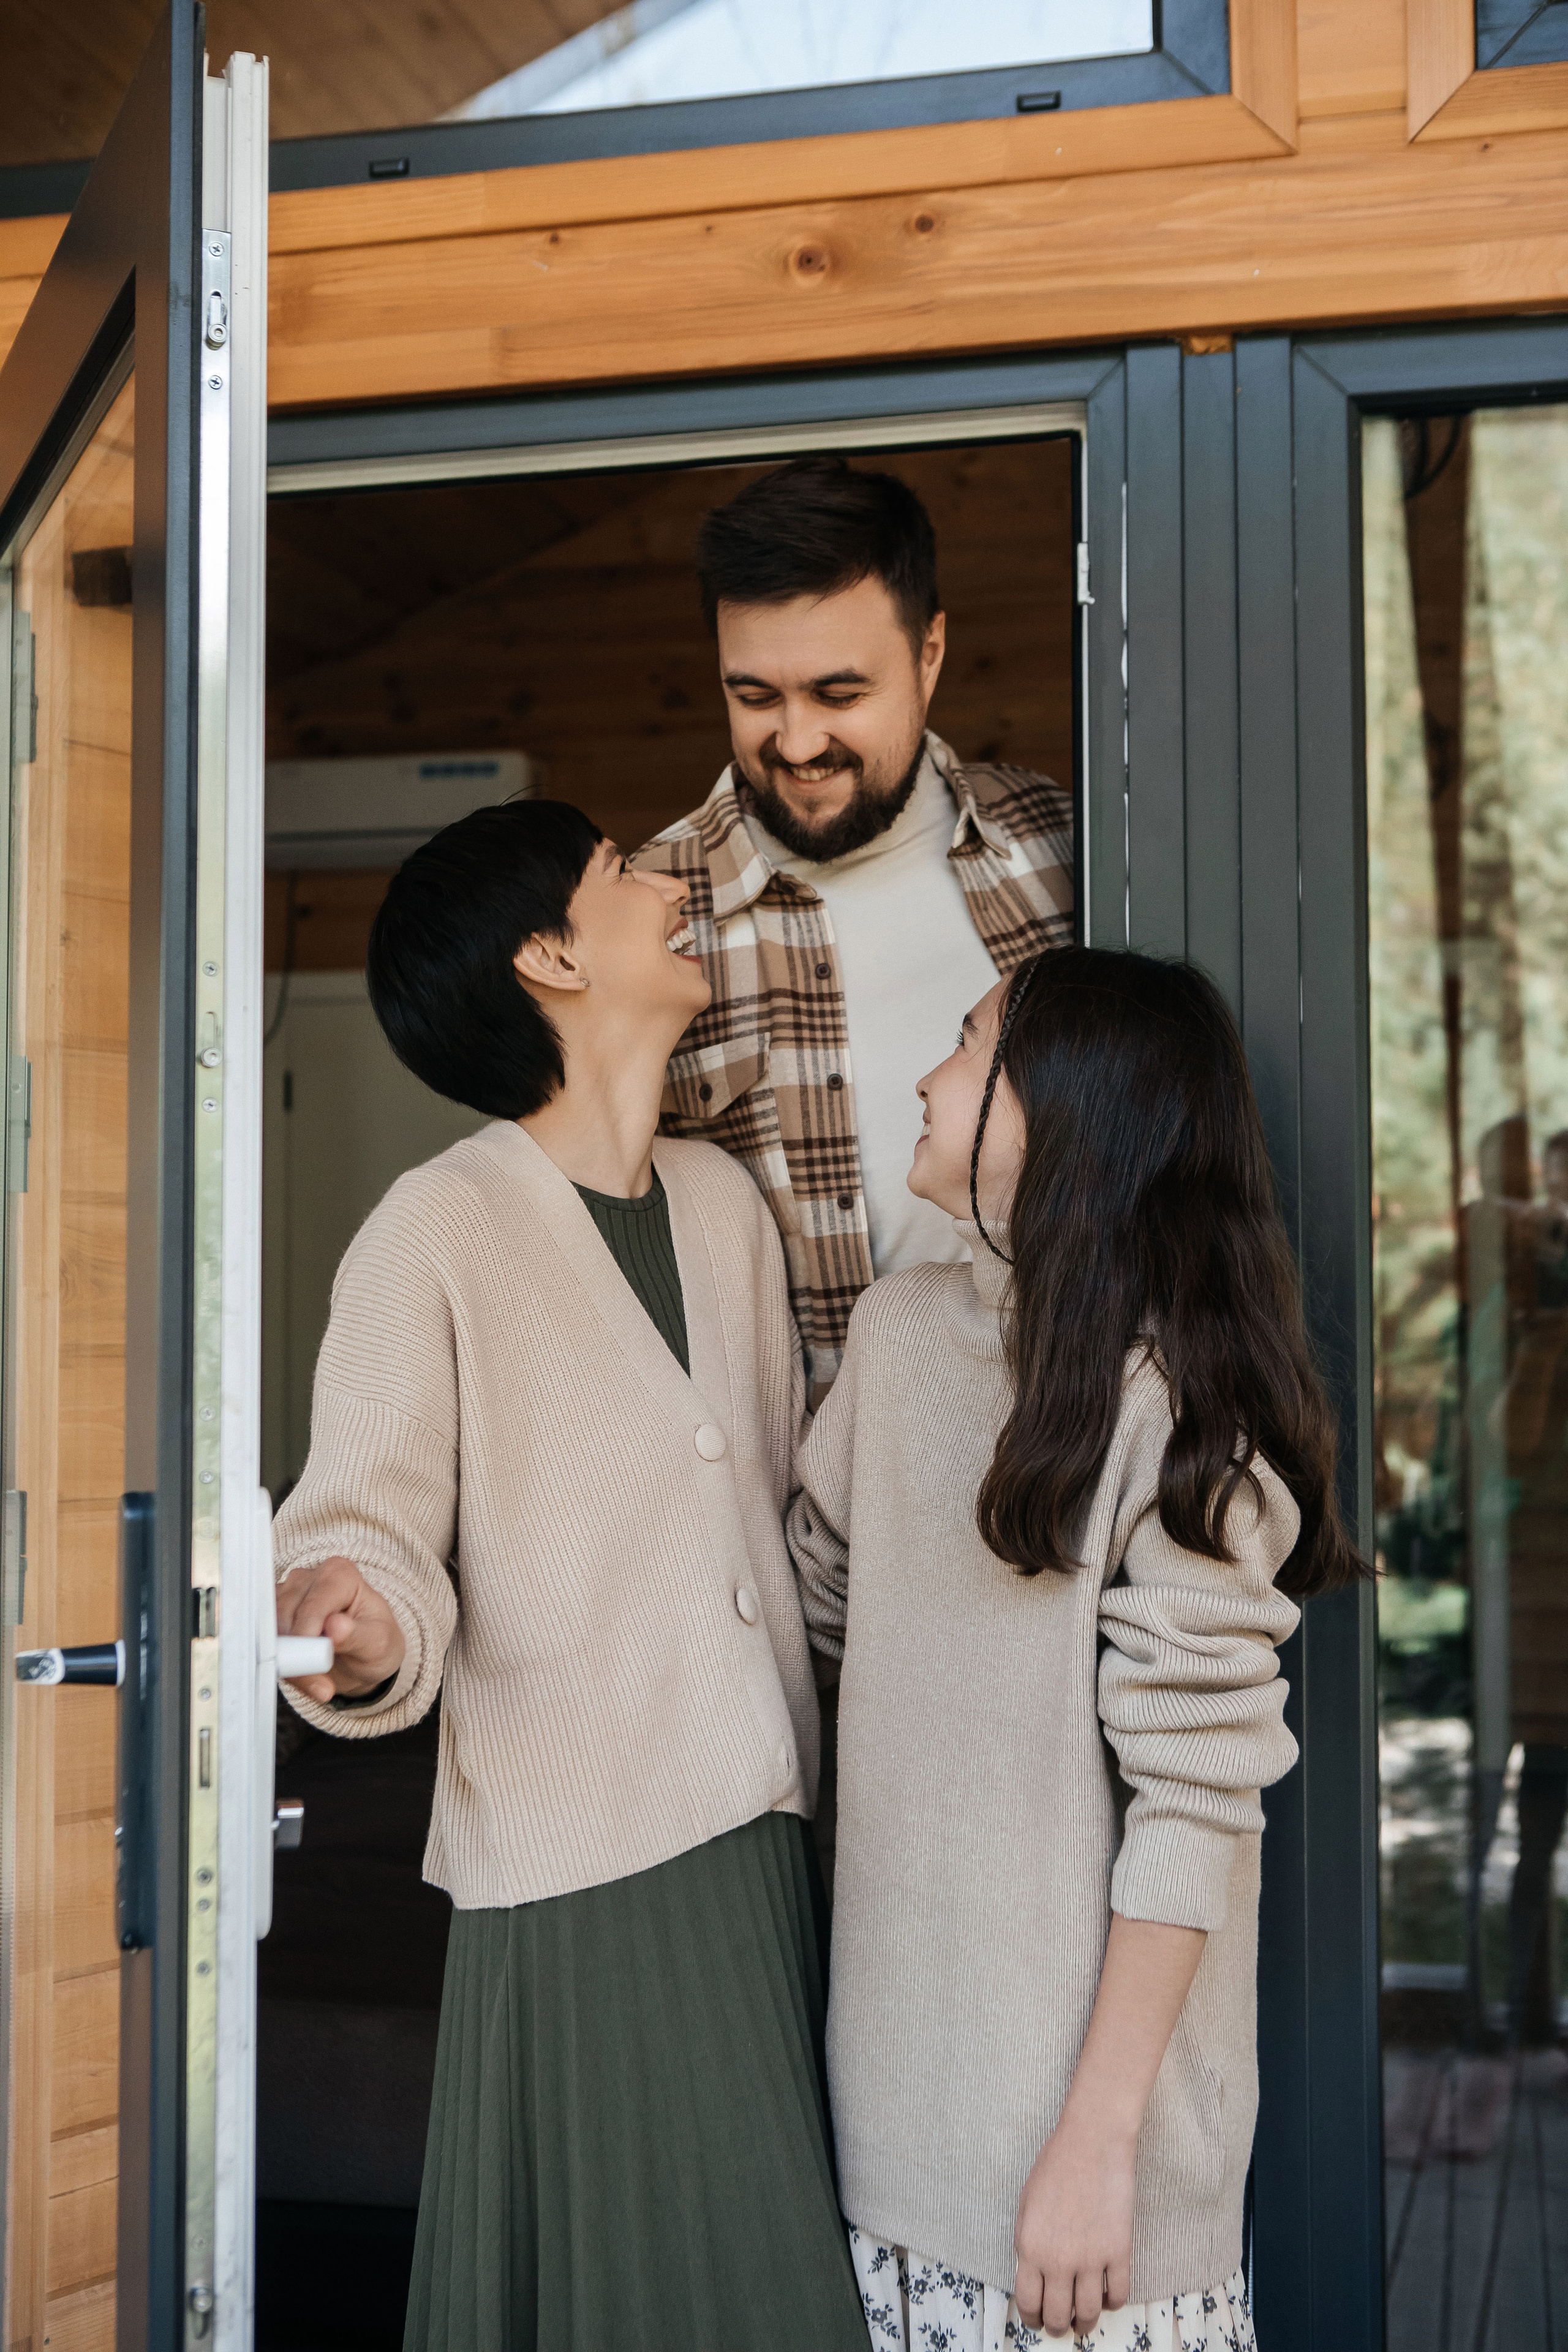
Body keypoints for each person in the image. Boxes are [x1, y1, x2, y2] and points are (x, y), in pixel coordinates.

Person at [272, 799, 869, 2352]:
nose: (670, 885)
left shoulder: (725, 1208)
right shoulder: (433, 1232)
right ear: (549, 954)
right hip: (582, 1873)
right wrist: (355, 1615)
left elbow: (797, 1518)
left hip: (762, 1837)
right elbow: (367, 1518)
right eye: (621, 875)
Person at [790, 948, 1365, 2351]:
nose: (926, 1078)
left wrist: (1096, 2150)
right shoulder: (898, 1336)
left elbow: (1195, 1807)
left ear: (1070, 1115)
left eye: (968, 1047)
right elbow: (810, 1612)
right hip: (881, 2154)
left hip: (1085, 2199)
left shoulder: (1179, 1424)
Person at [631, 454, 1073, 1404]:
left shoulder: (1060, 843)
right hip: (811, 1524)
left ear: (930, 655)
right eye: (754, 698)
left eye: (839, 695)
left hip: (1070, 1468)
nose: (795, 744)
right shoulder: (644, 916)